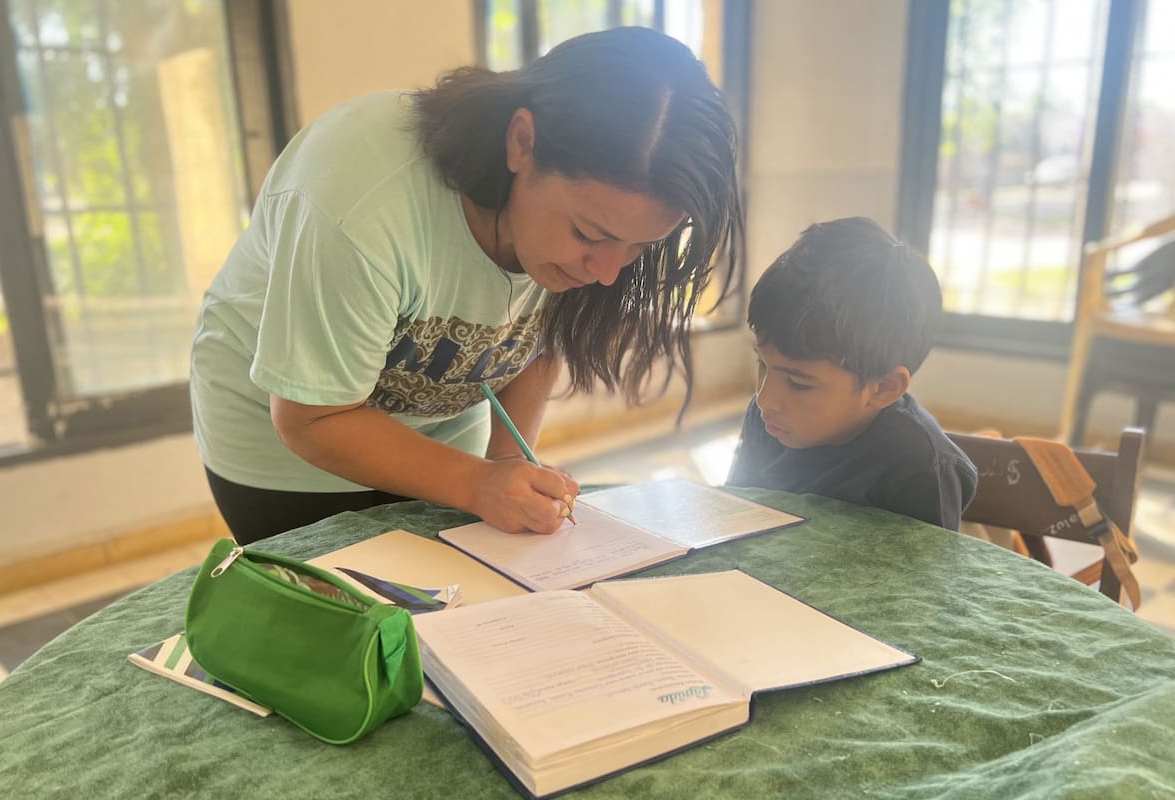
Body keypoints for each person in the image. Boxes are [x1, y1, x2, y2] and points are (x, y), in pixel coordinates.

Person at [190, 27, 743, 544]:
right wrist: (474, 483)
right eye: (587, 234)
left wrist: (504, 465)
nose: (605, 273)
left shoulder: (594, 237)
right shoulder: (361, 205)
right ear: (522, 142)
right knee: (344, 630)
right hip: (290, 457)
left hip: (445, 435)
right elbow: (312, 419)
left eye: (638, 249)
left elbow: (539, 339)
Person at [726, 217, 976, 530]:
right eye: (762, 365)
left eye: (798, 383)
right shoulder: (768, 422)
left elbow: (918, 577)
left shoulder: (917, 467)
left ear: (884, 387)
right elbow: (732, 523)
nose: (765, 400)